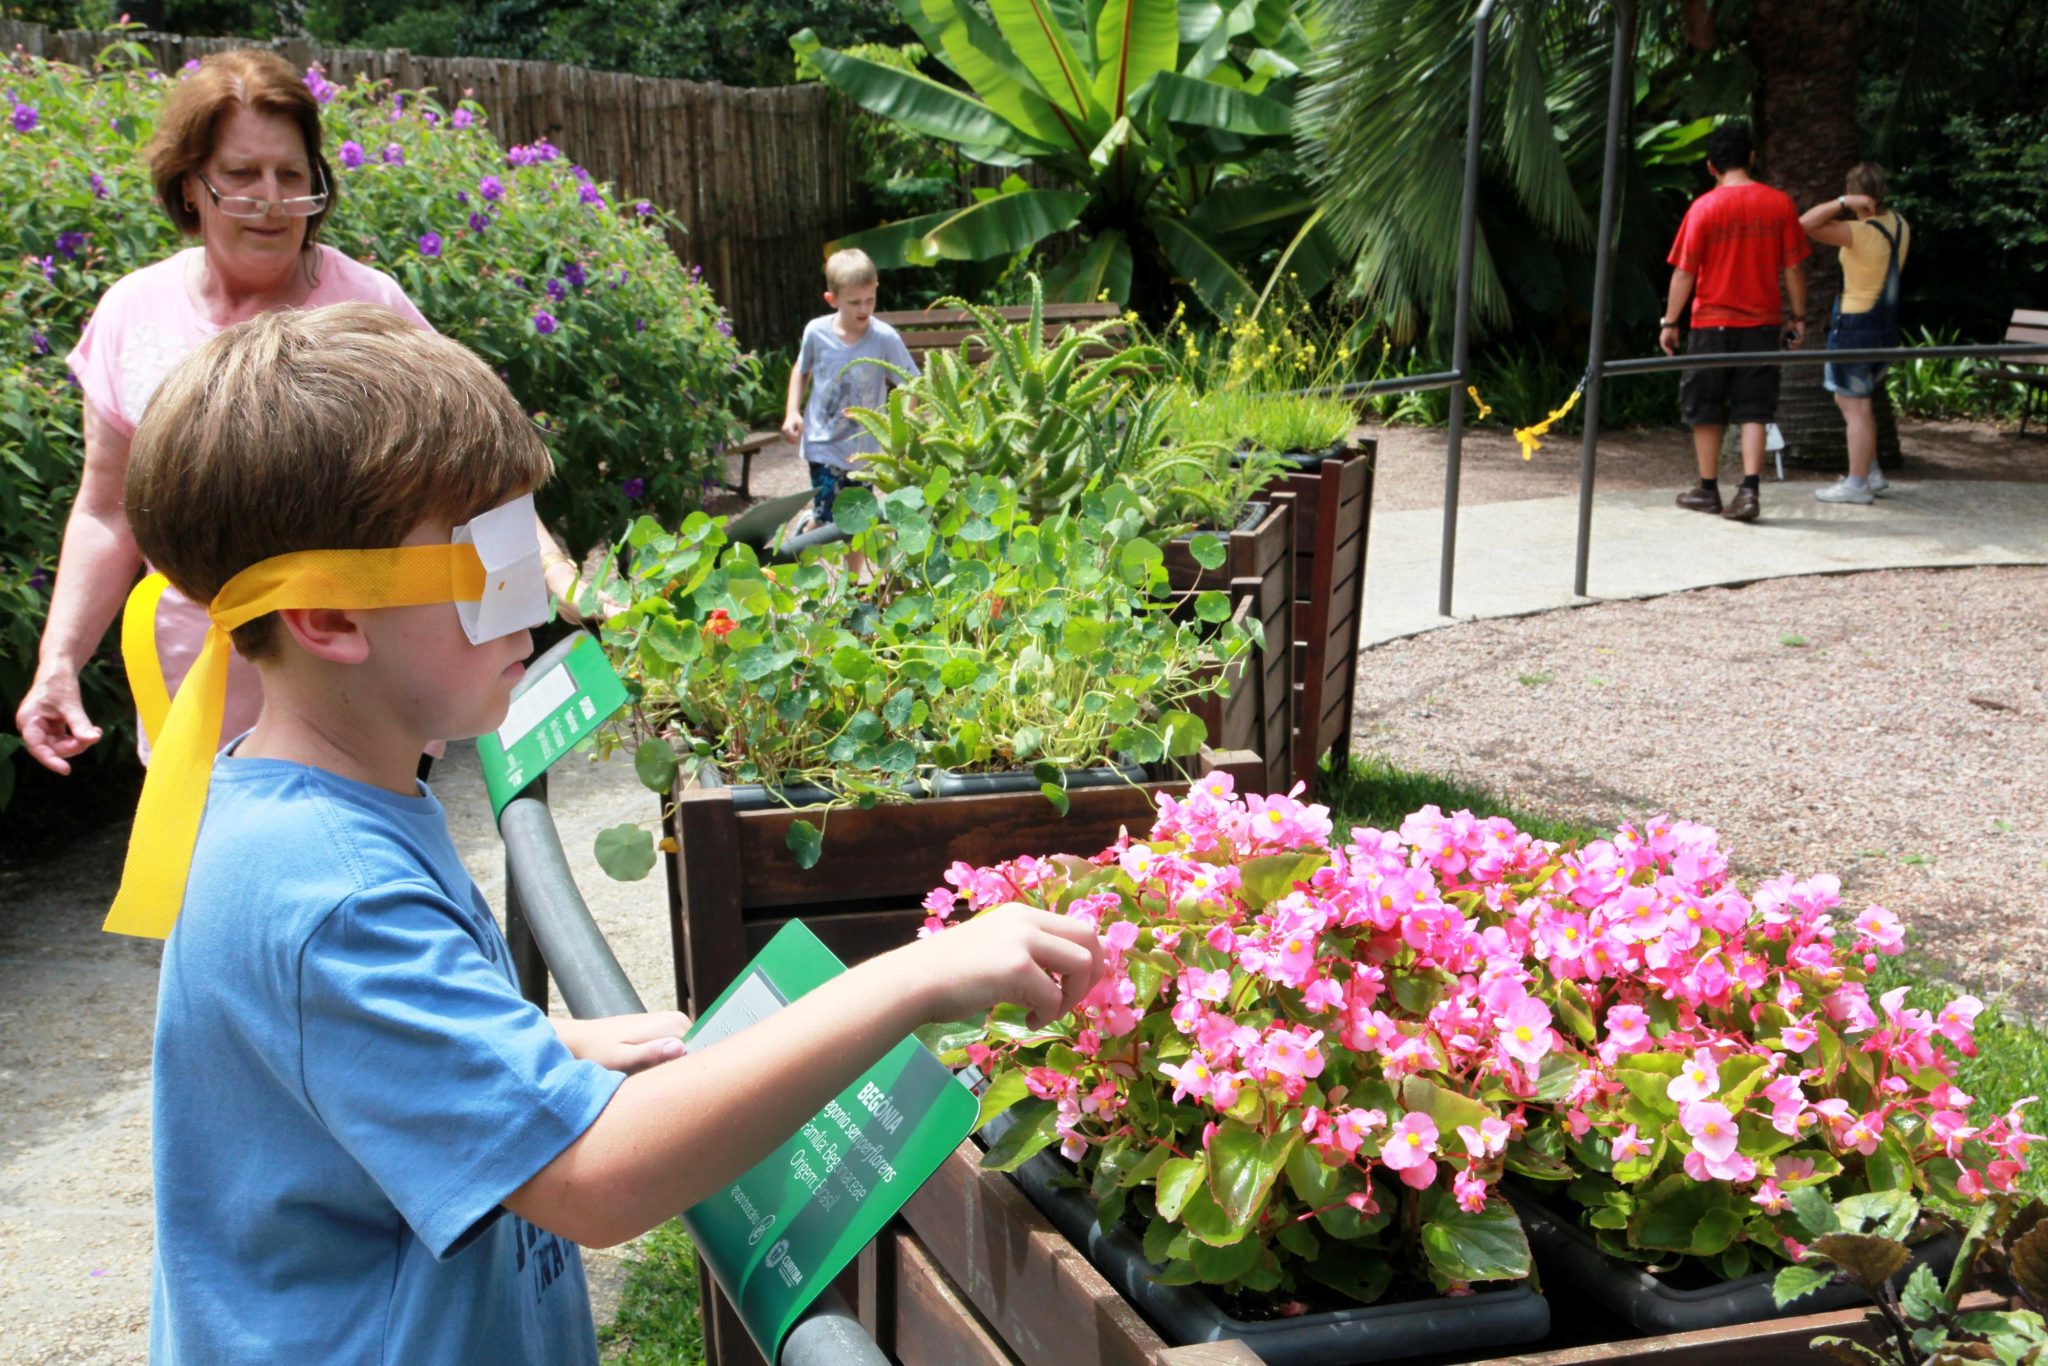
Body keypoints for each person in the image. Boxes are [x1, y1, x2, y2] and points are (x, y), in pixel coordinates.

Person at [124, 302, 1103, 1361]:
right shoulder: (330, 888)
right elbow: (599, 1183)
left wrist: (533, 1050)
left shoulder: (313, 808)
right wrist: (916, 976)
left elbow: (319, 1062)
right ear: (329, 618)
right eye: (486, 563)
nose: (532, 607)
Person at [15, 49, 585, 778]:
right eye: (243, 176)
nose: (274, 200)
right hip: (197, 698)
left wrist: (556, 575)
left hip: (365, 705)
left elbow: (478, 475)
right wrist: (58, 660)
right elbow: (106, 512)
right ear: (191, 186)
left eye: (292, 176)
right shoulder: (133, 311)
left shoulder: (369, 307)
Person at [1659, 122, 1811, 523]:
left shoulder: (1703, 208)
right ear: (1752, 158)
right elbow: (1794, 268)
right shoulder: (1779, 204)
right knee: (1754, 409)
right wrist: (1797, 316)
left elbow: (1684, 272)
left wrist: (1669, 321)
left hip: (1711, 323)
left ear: (1711, 167)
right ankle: (1748, 490)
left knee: (1704, 406)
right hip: (1761, 323)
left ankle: (1707, 489)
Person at [780, 247, 919, 527]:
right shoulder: (816, 332)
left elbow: (911, 382)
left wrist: (901, 428)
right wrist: (792, 412)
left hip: (864, 450)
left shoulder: (884, 338)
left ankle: (851, 573)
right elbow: (801, 369)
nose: (864, 309)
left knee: (858, 521)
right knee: (831, 519)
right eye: (854, 302)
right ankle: (812, 525)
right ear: (832, 299)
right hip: (823, 443)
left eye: (870, 299)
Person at [1799, 163, 1910, 504]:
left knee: (1854, 406)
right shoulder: (1900, 224)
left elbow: (1803, 224)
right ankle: (1871, 470)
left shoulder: (1858, 232)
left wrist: (1843, 201)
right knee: (1860, 402)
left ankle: (1857, 483)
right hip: (1885, 326)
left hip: (1855, 325)